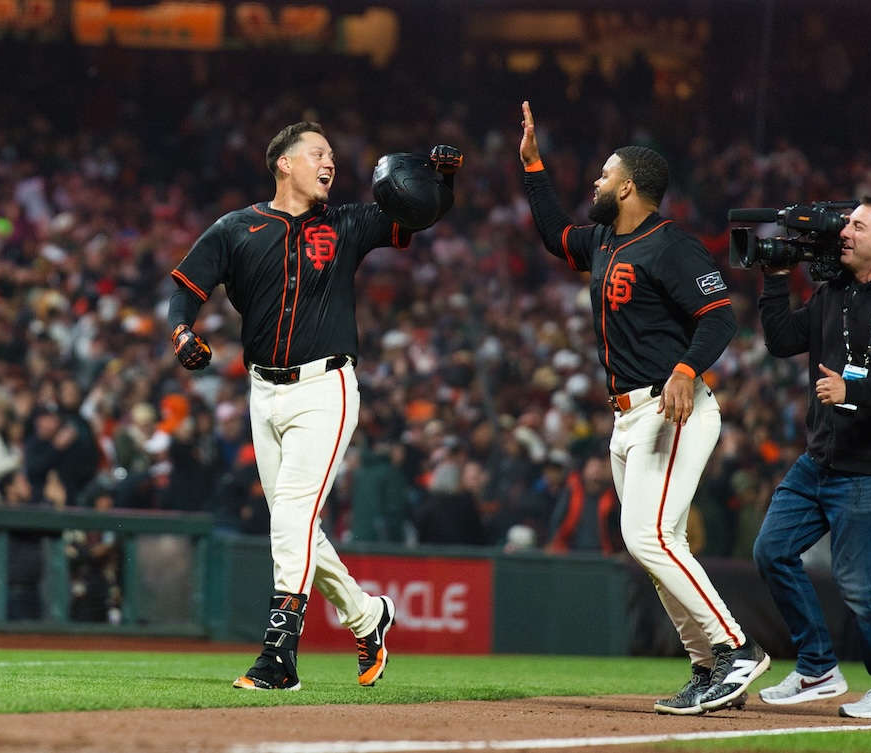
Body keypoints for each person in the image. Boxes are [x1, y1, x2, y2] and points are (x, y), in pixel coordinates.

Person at [168, 121, 461, 690]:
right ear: (284, 163)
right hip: (264, 390)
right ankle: (367, 615)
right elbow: (186, 286)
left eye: (331, 154)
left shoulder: (348, 222)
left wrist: (441, 179)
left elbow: (421, 213)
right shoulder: (237, 228)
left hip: (325, 388)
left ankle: (279, 655)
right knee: (294, 524)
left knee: (294, 518)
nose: (330, 162)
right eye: (318, 153)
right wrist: (182, 332)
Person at [518, 101, 769, 715]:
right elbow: (556, 235)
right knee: (659, 547)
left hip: (672, 407)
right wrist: (532, 167)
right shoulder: (605, 238)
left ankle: (737, 649)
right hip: (627, 414)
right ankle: (709, 668)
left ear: (628, 185)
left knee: (647, 535)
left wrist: (686, 369)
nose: (596, 184)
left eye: (604, 176)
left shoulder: (671, 245)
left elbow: (720, 316)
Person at [753, 197, 871, 719]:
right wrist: (776, 277)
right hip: (820, 459)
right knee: (771, 552)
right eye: (847, 223)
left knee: (859, 587)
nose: (845, 232)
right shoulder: (835, 293)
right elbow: (782, 340)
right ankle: (817, 668)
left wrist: (853, 393)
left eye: (859, 225)